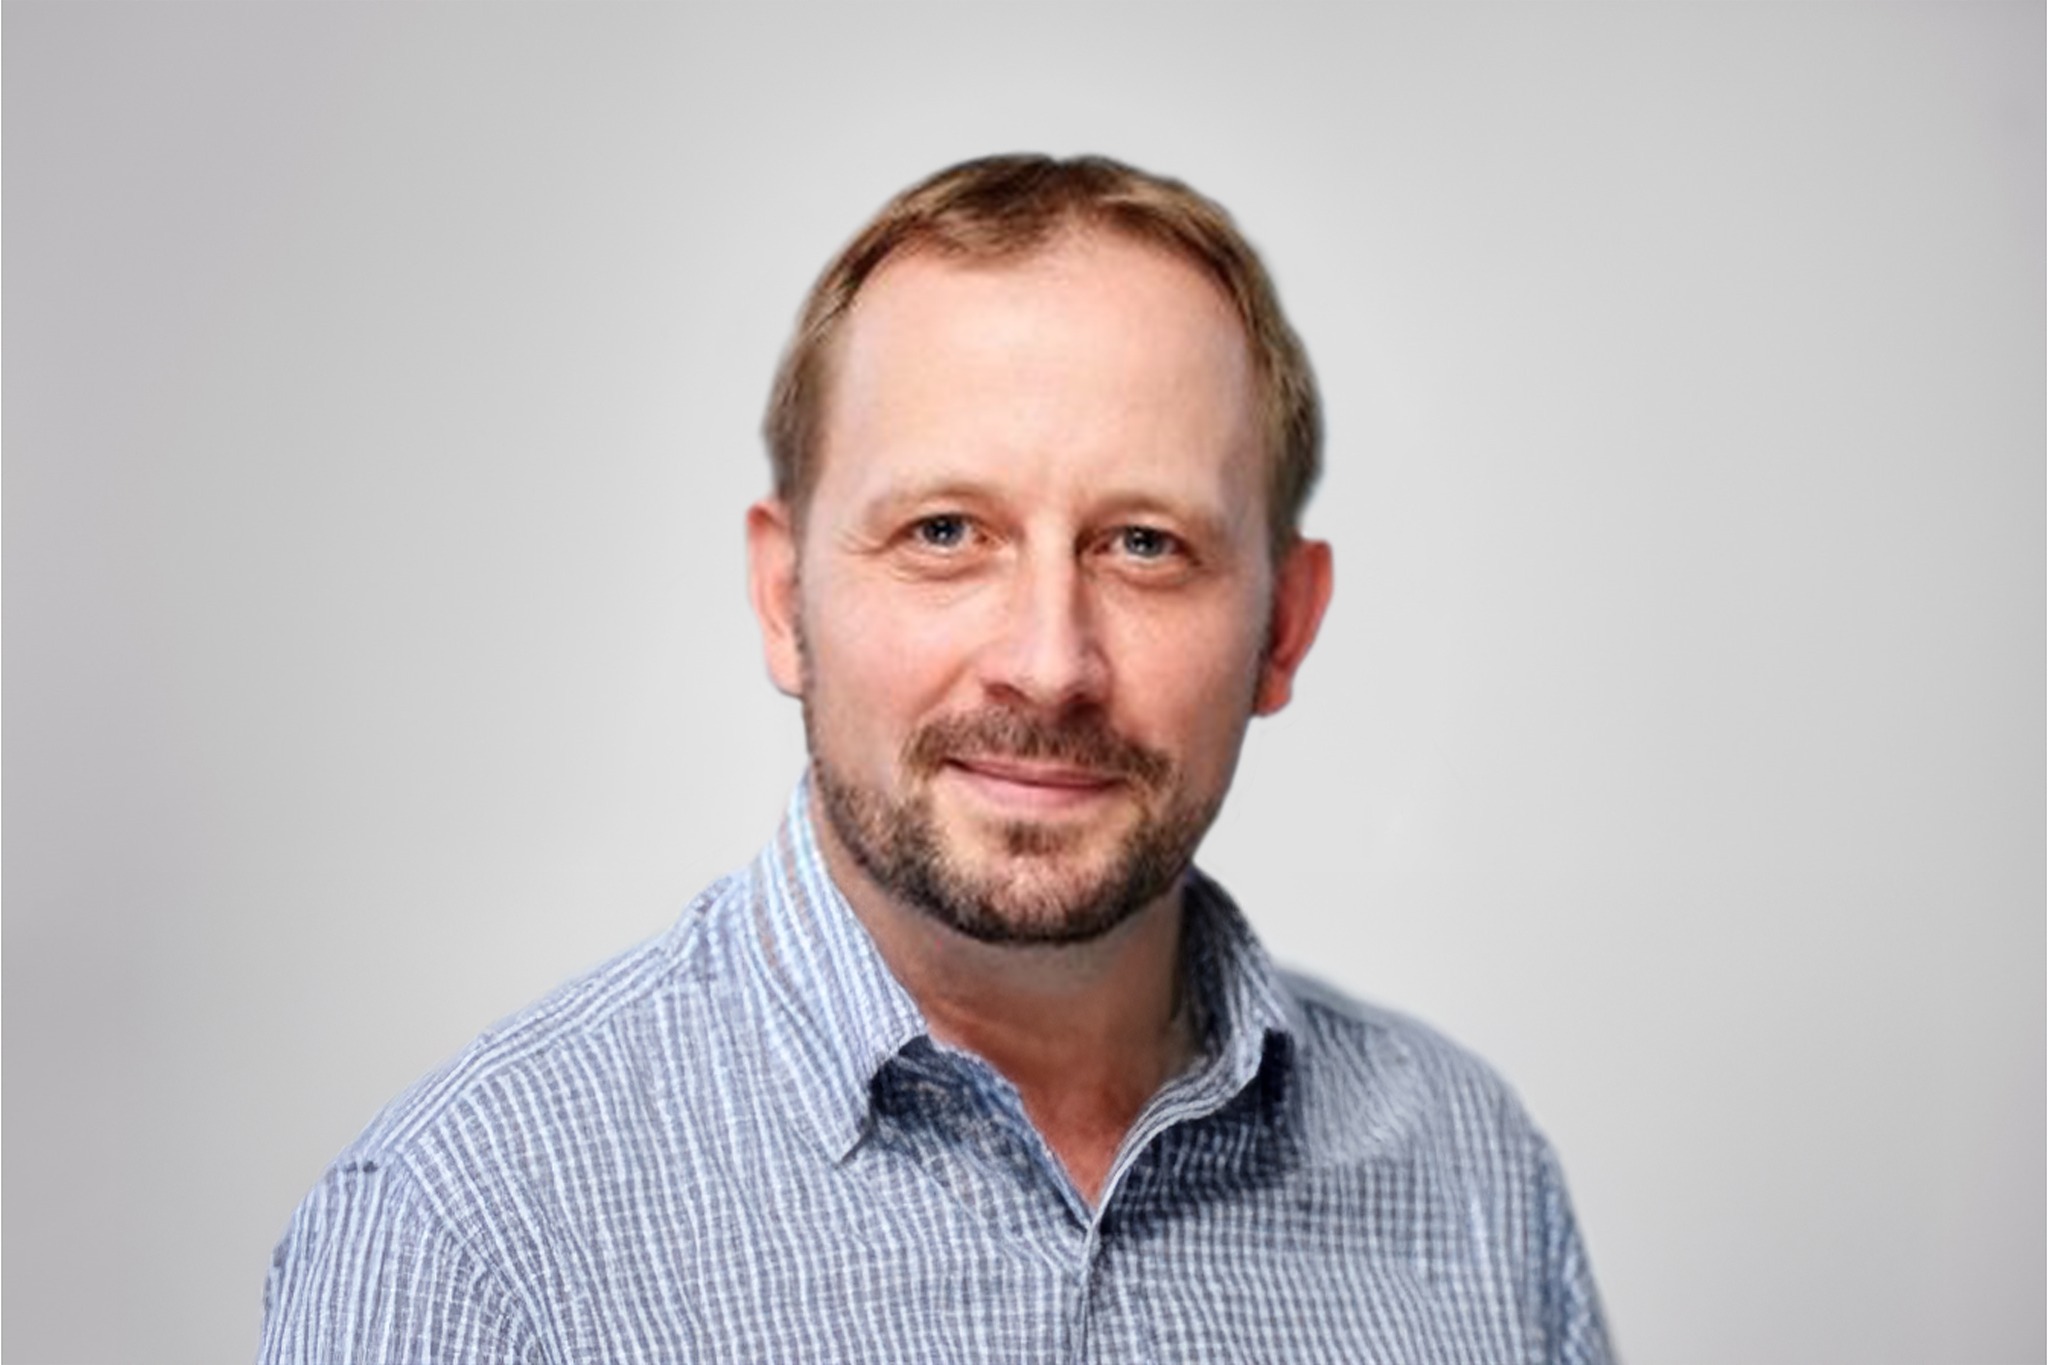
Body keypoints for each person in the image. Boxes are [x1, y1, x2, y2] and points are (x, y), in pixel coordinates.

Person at [259, 153, 1614, 1363]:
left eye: (1145, 544)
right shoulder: (470, 1247)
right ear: (784, 598)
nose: (1048, 661)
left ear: (1285, 626)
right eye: (946, 534)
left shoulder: (1472, 1178)